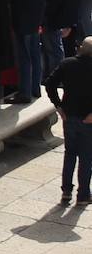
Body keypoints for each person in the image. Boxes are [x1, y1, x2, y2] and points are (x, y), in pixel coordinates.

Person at [45, 36, 92, 205]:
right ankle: (83, 194)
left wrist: (58, 106)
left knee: (70, 153)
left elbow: (50, 84)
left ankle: (66, 191)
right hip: (88, 119)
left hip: (69, 115)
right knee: (87, 157)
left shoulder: (67, 64)